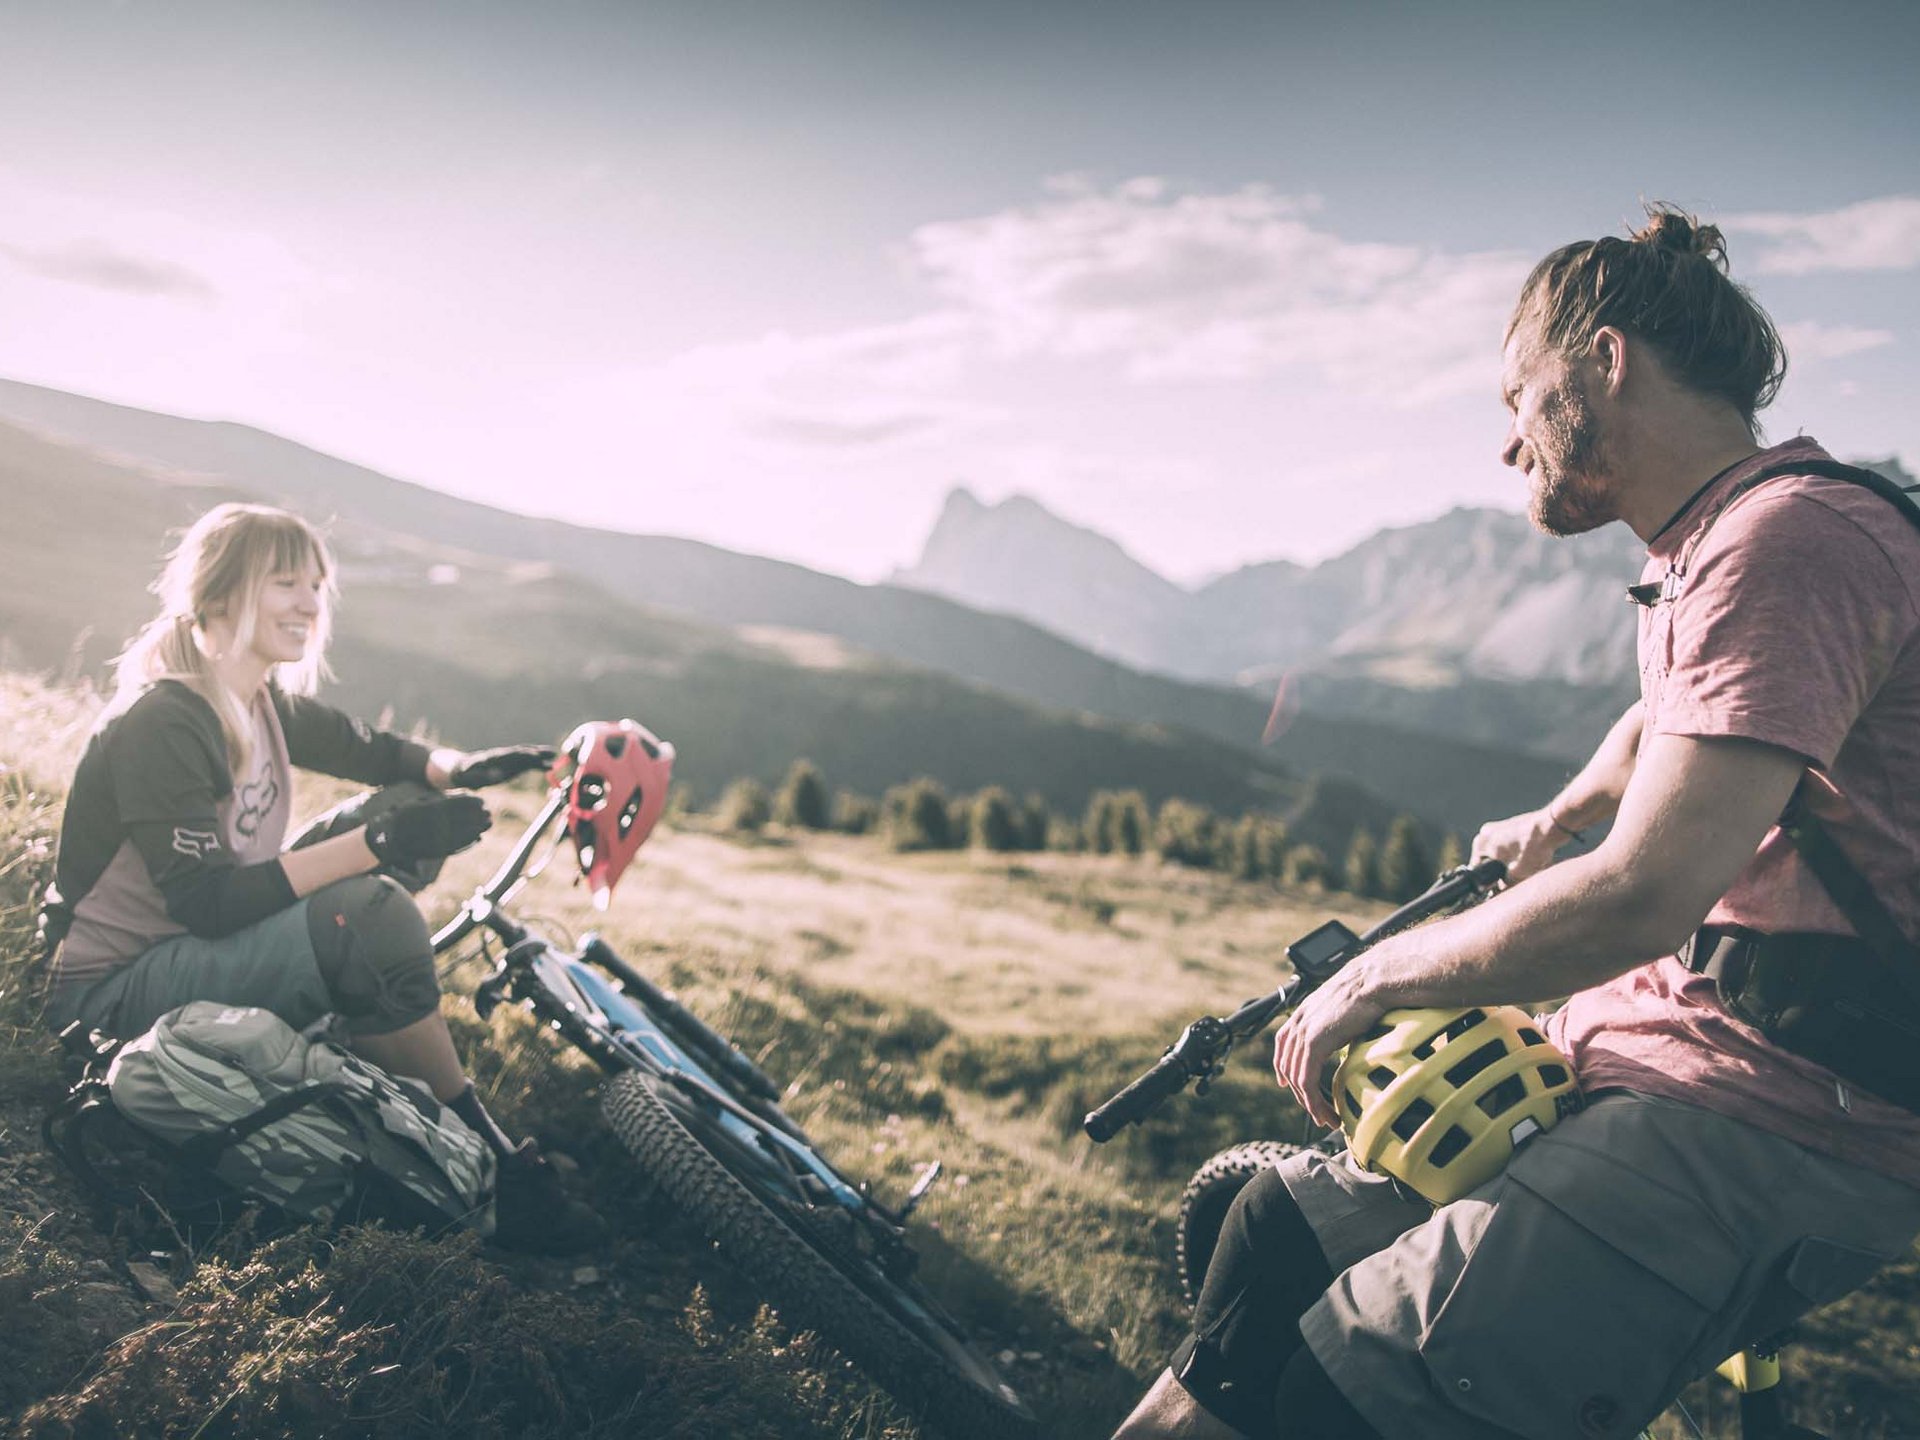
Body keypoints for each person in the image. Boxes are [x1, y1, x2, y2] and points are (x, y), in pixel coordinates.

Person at [1112, 204, 1920, 1440]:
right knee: (1279, 1236)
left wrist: (1377, 976)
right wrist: (1566, 807)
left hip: (1780, 1110)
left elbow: (1642, 897)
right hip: (1666, 1053)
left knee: (1354, 1390)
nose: (1508, 447)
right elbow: (1675, 711)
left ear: (1605, 359)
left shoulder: (1789, 539)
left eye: (1515, 399)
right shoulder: (1728, 535)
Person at [41, 501, 598, 1252]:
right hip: (110, 995)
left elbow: (368, 750)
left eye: (316, 584)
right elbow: (205, 903)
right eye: (285, 583)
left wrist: (459, 770)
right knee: (365, 912)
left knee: (401, 817)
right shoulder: (166, 722)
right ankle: (489, 1164)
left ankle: (362, 1019)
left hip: (194, 954)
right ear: (218, 591)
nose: (309, 603)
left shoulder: (253, 699)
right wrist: (378, 843)